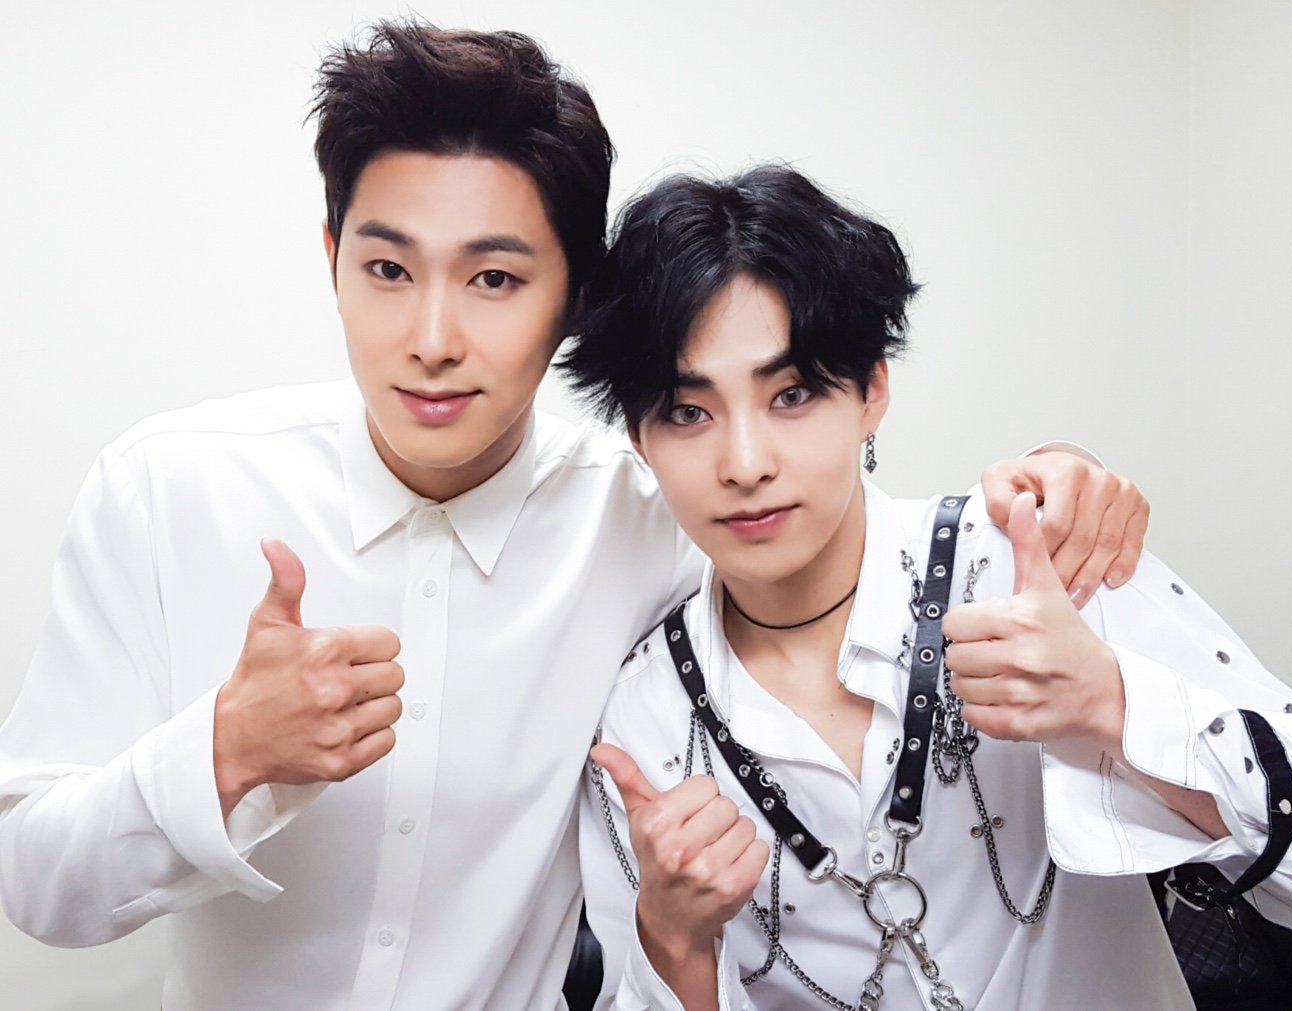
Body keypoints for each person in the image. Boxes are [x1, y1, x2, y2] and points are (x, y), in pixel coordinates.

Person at [0, 23, 1147, 1011]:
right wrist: (224, 754)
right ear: (333, 258)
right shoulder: (165, 491)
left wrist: (1062, 476)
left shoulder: (654, 511)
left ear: (576, 301)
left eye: (495, 280)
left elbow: (843, 522)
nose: (433, 339)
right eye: (389, 270)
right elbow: (35, 886)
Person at [566, 165, 1292, 1010]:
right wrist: (674, 941)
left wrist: (1113, 703)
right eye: (688, 412)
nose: (746, 463)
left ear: (872, 392)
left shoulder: (1033, 562)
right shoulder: (643, 719)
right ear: (639, 438)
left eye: (791, 394)